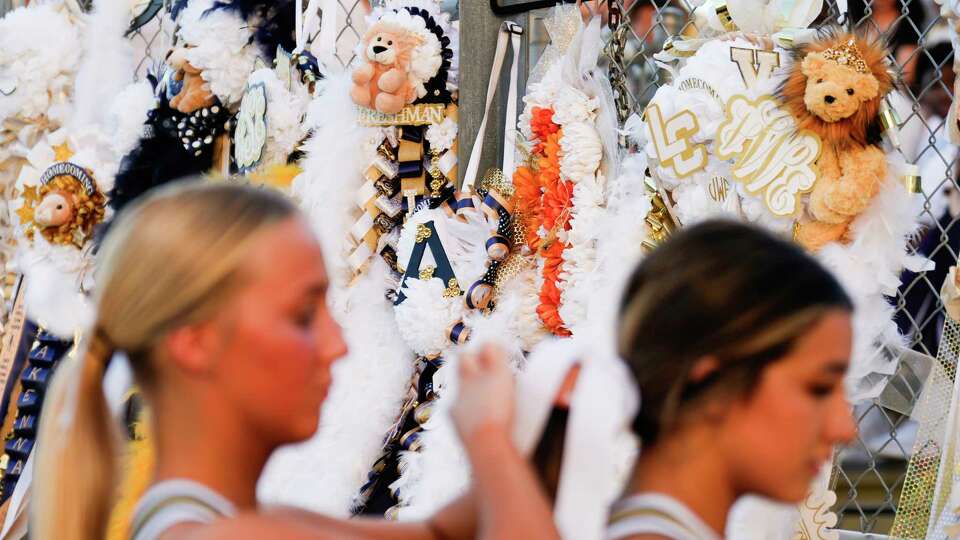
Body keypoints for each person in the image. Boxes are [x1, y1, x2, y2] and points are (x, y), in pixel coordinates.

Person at [31, 181, 555, 540]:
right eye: (303, 316)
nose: (338, 345)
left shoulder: (236, 521)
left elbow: (439, 532)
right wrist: (488, 440)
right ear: (195, 342)